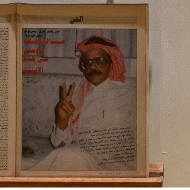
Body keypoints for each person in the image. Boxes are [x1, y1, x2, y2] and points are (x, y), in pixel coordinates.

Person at [37, 36, 136, 171]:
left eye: (100, 61)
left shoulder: (130, 93)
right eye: (87, 62)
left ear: (111, 64)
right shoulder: (77, 93)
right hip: (80, 158)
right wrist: (62, 121)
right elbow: (59, 145)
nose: (92, 67)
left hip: (115, 165)